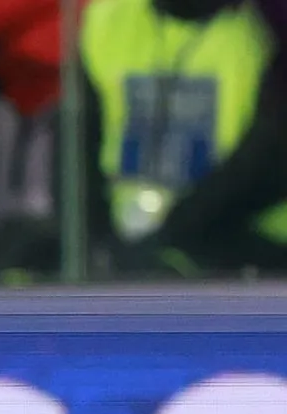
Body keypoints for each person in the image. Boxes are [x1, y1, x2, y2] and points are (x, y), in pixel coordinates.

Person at [79, 0, 287, 277]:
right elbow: (75, 148)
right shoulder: (109, 17)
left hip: (252, 245)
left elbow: (272, 159)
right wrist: (99, 244)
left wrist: (169, 235)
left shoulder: (269, 25)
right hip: (131, 245)